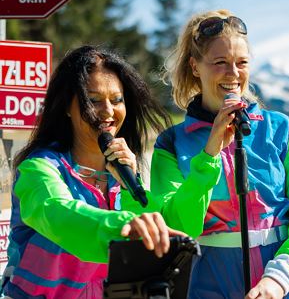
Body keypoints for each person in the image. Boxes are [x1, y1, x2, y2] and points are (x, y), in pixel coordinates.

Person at [151, 9, 289, 299]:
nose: (233, 74)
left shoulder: (282, 130)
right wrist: (208, 156)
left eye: (241, 63)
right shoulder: (171, 144)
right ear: (195, 66)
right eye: (220, 62)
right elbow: (177, 228)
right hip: (210, 286)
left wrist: (279, 279)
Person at [0, 45, 183, 299]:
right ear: (66, 105)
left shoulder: (123, 176)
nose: (108, 111)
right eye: (94, 100)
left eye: (117, 100)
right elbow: (57, 211)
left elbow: (148, 252)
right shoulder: (39, 168)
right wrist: (123, 225)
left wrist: (133, 188)